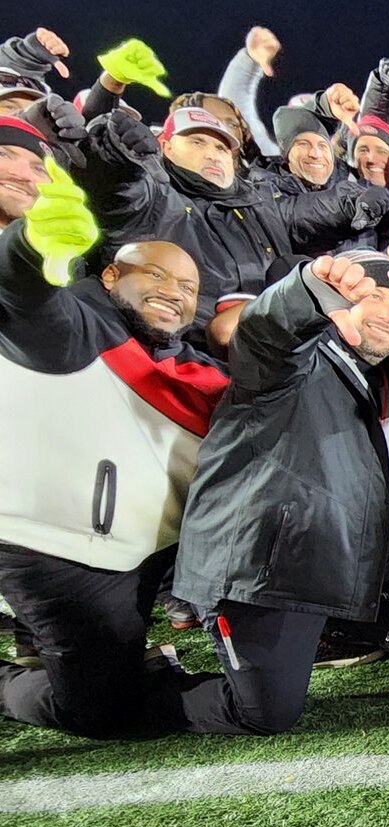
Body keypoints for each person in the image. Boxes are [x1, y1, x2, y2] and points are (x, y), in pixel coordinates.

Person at [173, 252, 389, 735]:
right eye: (373, 297)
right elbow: (265, 330)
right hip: (267, 564)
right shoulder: (292, 361)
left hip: (329, 546)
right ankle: (139, 691)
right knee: (265, 714)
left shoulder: (382, 380)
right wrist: (305, 289)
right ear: (337, 304)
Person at [0, 161, 228, 737]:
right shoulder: (74, 320)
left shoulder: (187, 364)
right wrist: (31, 244)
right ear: (108, 278)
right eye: (155, 275)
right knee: (102, 712)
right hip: (55, 547)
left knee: (114, 676)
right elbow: (22, 294)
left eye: (188, 288)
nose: (173, 294)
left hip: (132, 553)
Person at [76, 107, 389, 336]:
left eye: (222, 147)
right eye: (198, 143)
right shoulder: (155, 197)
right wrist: (113, 153)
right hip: (183, 351)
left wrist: (379, 198)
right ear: (167, 147)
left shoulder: (260, 205)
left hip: (268, 353)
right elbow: (115, 191)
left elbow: (326, 205)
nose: (213, 154)